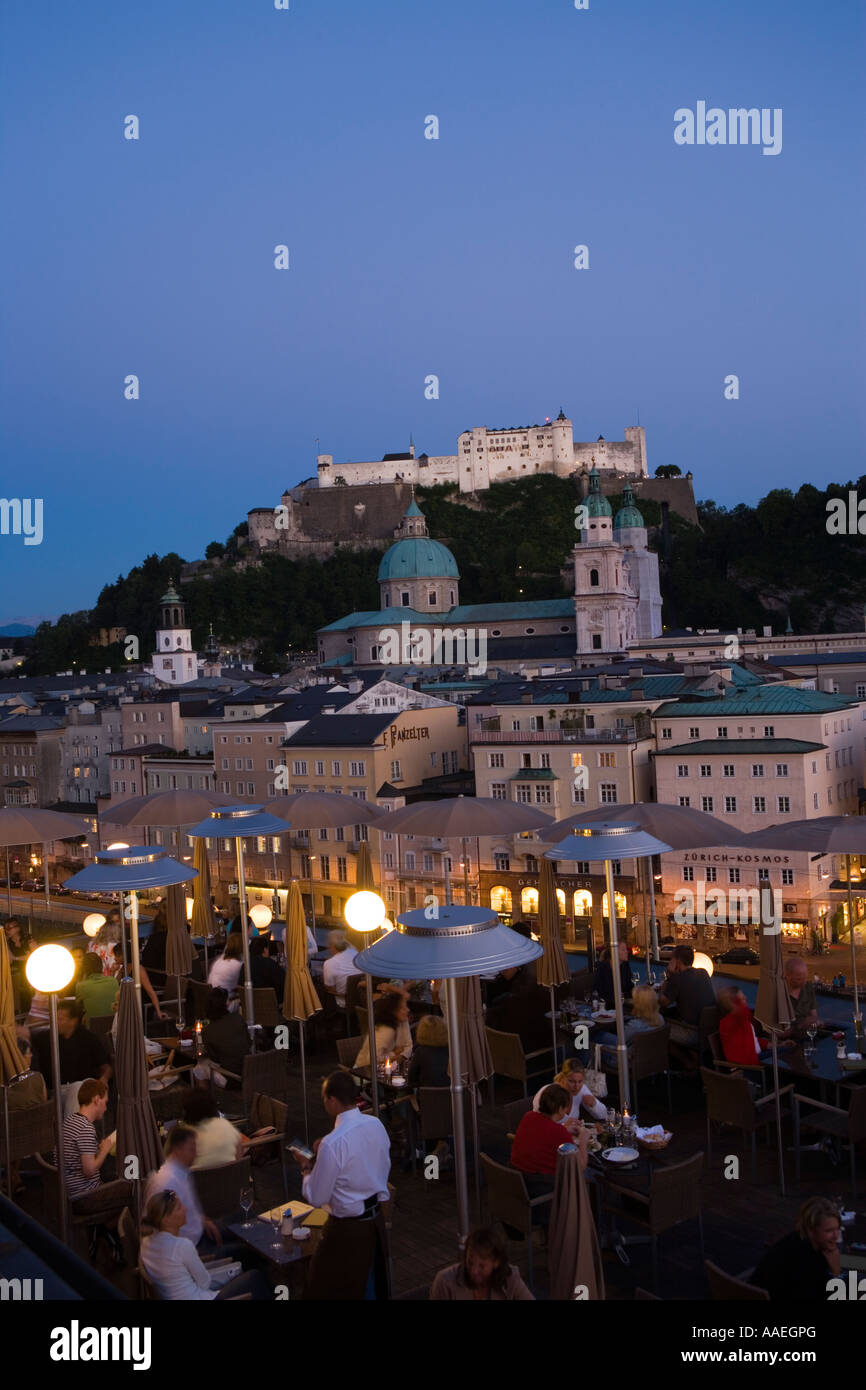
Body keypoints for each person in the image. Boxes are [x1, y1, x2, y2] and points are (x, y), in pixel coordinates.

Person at [289, 1070, 392, 1300]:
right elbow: (369, 1160)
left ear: (332, 1100)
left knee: (322, 1288)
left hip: (346, 1230)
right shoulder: (375, 1124)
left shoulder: (332, 1144)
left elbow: (316, 1197)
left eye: (325, 1099)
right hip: (375, 1222)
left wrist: (306, 1167)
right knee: (368, 1286)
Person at [139, 1189, 272, 1300]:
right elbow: (205, 1283)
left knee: (243, 1271)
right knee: (255, 1277)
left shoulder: (146, 1243)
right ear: (166, 1219)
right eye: (179, 1208)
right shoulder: (182, 1246)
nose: (185, 1209)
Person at [62, 1078, 134, 1256]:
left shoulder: (70, 1122)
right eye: (105, 1102)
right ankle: (119, 1240)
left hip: (70, 1191)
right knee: (134, 1187)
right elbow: (89, 1170)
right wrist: (105, 1150)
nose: (106, 1108)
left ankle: (104, 1232)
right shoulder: (85, 1129)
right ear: (96, 1099)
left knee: (120, 1182)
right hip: (84, 1197)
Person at [145, 1124, 232, 1256]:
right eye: (192, 1148)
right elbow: (162, 1230)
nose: (197, 1153)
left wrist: (203, 1220)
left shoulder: (182, 1171)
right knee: (247, 1250)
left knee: (244, 1218)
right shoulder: (165, 1182)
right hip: (193, 1247)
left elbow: (189, 1210)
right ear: (177, 1149)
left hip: (200, 1230)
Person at [510, 1083, 589, 1202]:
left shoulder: (528, 1117)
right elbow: (581, 1166)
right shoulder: (559, 1133)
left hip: (516, 1181)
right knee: (586, 1175)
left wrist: (564, 1130)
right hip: (540, 1189)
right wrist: (583, 1140)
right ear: (560, 1109)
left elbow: (541, 1133)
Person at [751, 1197, 842, 1300]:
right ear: (811, 1230)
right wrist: (835, 1272)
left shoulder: (796, 1239)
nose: (836, 1236)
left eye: (837, 1229)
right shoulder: (806, 1260)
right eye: (829, 1231)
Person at [32, 999, 111, 1108]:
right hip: (54, 1092)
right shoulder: (45, 1039)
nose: (56, 1022)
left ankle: (71, 1124)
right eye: (54, 1018)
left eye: (60, 1019)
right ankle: (73, 1124)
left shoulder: (88, 1038)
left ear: (73, 1021)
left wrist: (104, 1079)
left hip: (83, 1090)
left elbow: (106, 1066)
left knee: (78, 1089)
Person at [431, 1225, 535, 1300]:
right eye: (470, 1262)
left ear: (496, 1262)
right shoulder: (445, 1283)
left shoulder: (510, 1279)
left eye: (482, 1266)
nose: (474, 1271)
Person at [657, 943, 716, 1047]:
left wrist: (668, 976)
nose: (670, 961)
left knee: (656, 1031)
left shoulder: (677, 979)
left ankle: (685, 1061)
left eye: (671, 959)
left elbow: (662, 1002)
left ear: (677, 961)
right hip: (708, 1031)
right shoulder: (704, 972)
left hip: (691, 1032)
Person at [193, 988, 251, 1088]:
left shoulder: (208, 1030)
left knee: (198, 1068)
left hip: (233, 1079)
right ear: (225, 1004)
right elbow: (249, 1042)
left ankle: (204, 1100)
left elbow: (214, 1058)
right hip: (250, 1071)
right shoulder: (238, 1018)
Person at [594, 984, 663, 1060]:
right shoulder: (660, 1018)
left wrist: (599, 1046)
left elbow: (619, 1044)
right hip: (648, 1057)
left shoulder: (634, 1026)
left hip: (624, 1060)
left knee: (589, 1044)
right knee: (600, 1035)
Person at [182, 1087, 247, 1168]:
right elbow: (239, 1160)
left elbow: (181, 1167)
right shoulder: (226, 1124)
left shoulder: (186, 1135)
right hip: (233, 1178)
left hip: (201, 1179)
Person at [532, 1059, 607, 1123]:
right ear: (563, 1078)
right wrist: (566, 1128)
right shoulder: (548, 1093)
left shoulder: (581, 1089)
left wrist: (594, 1105)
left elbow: (604, 1114)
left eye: (580, 1081)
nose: (577, 1087)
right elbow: (541, 1124)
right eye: (571, 1081)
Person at [354, 991, 412, 1068]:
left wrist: (401, 1056)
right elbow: (371, 1060)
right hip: (364, 1072)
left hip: (387, 1067)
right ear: (392, 1012)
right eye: (402, 1008)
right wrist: (394, 1053)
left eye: (406, 1006)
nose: (407, 1010)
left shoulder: (402, 1021)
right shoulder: (385, 1030)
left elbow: (408, 1045)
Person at [717, 986, 771, 1066]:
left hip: (757, 1056)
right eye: (741, 999)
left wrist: (774, 1045)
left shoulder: (741, 1020)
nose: (745, 998)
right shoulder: (729, 1023)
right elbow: (745, 1012)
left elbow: (753, 1040)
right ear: (733, 1004)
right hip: (750, 1065)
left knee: (786, 1050)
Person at [407, 1013, 450, 1089]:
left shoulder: (420, 1052)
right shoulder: (451, 1050)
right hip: (452, 1095)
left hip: (427, 1098)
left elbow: (411, 1079)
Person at [322, 929, 362, 1009]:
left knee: (321, 989)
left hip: (344, 1001)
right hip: (359, 998)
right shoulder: (356, 953)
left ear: (332, 945)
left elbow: (330, 987)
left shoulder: (330, 963)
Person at [782, 958, 821, 1039]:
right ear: (787, 976)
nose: (804, 981)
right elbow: (774, 1033)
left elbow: (814, 1017)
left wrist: (816, 1022)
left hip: (806, 1038)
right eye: (799, 979)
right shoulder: (777, 994)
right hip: (784, 1043)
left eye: (805, 977)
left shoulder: (808, 987)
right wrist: (799, 1026)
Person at [74, 952, 119, 1021]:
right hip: (114, 1026)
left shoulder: (81, 986)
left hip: (92, 1029)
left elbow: (78, 1009)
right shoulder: (114, 981)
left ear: (84, 968)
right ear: (101, 966)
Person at [243, 934, 285, 1005]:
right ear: (265, 950)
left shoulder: (245, 966)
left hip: (250, 1005)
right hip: (272, 1004)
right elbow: (283, 983)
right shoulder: (270, 964)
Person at [592, 941, 634, 1009]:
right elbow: (598, 992)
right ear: (614, 952)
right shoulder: (603, 968)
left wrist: (638, 992)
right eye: (623, 950)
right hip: (606, 1007)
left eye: (626, 949)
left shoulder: (625, 965)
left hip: (622, 1004)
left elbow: (629, 986)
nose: (627, 952)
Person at [140, 902, 169, 974]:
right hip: (168, 974)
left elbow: (146, 960)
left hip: (158, 975)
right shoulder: (179, 935)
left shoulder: (157, 939)